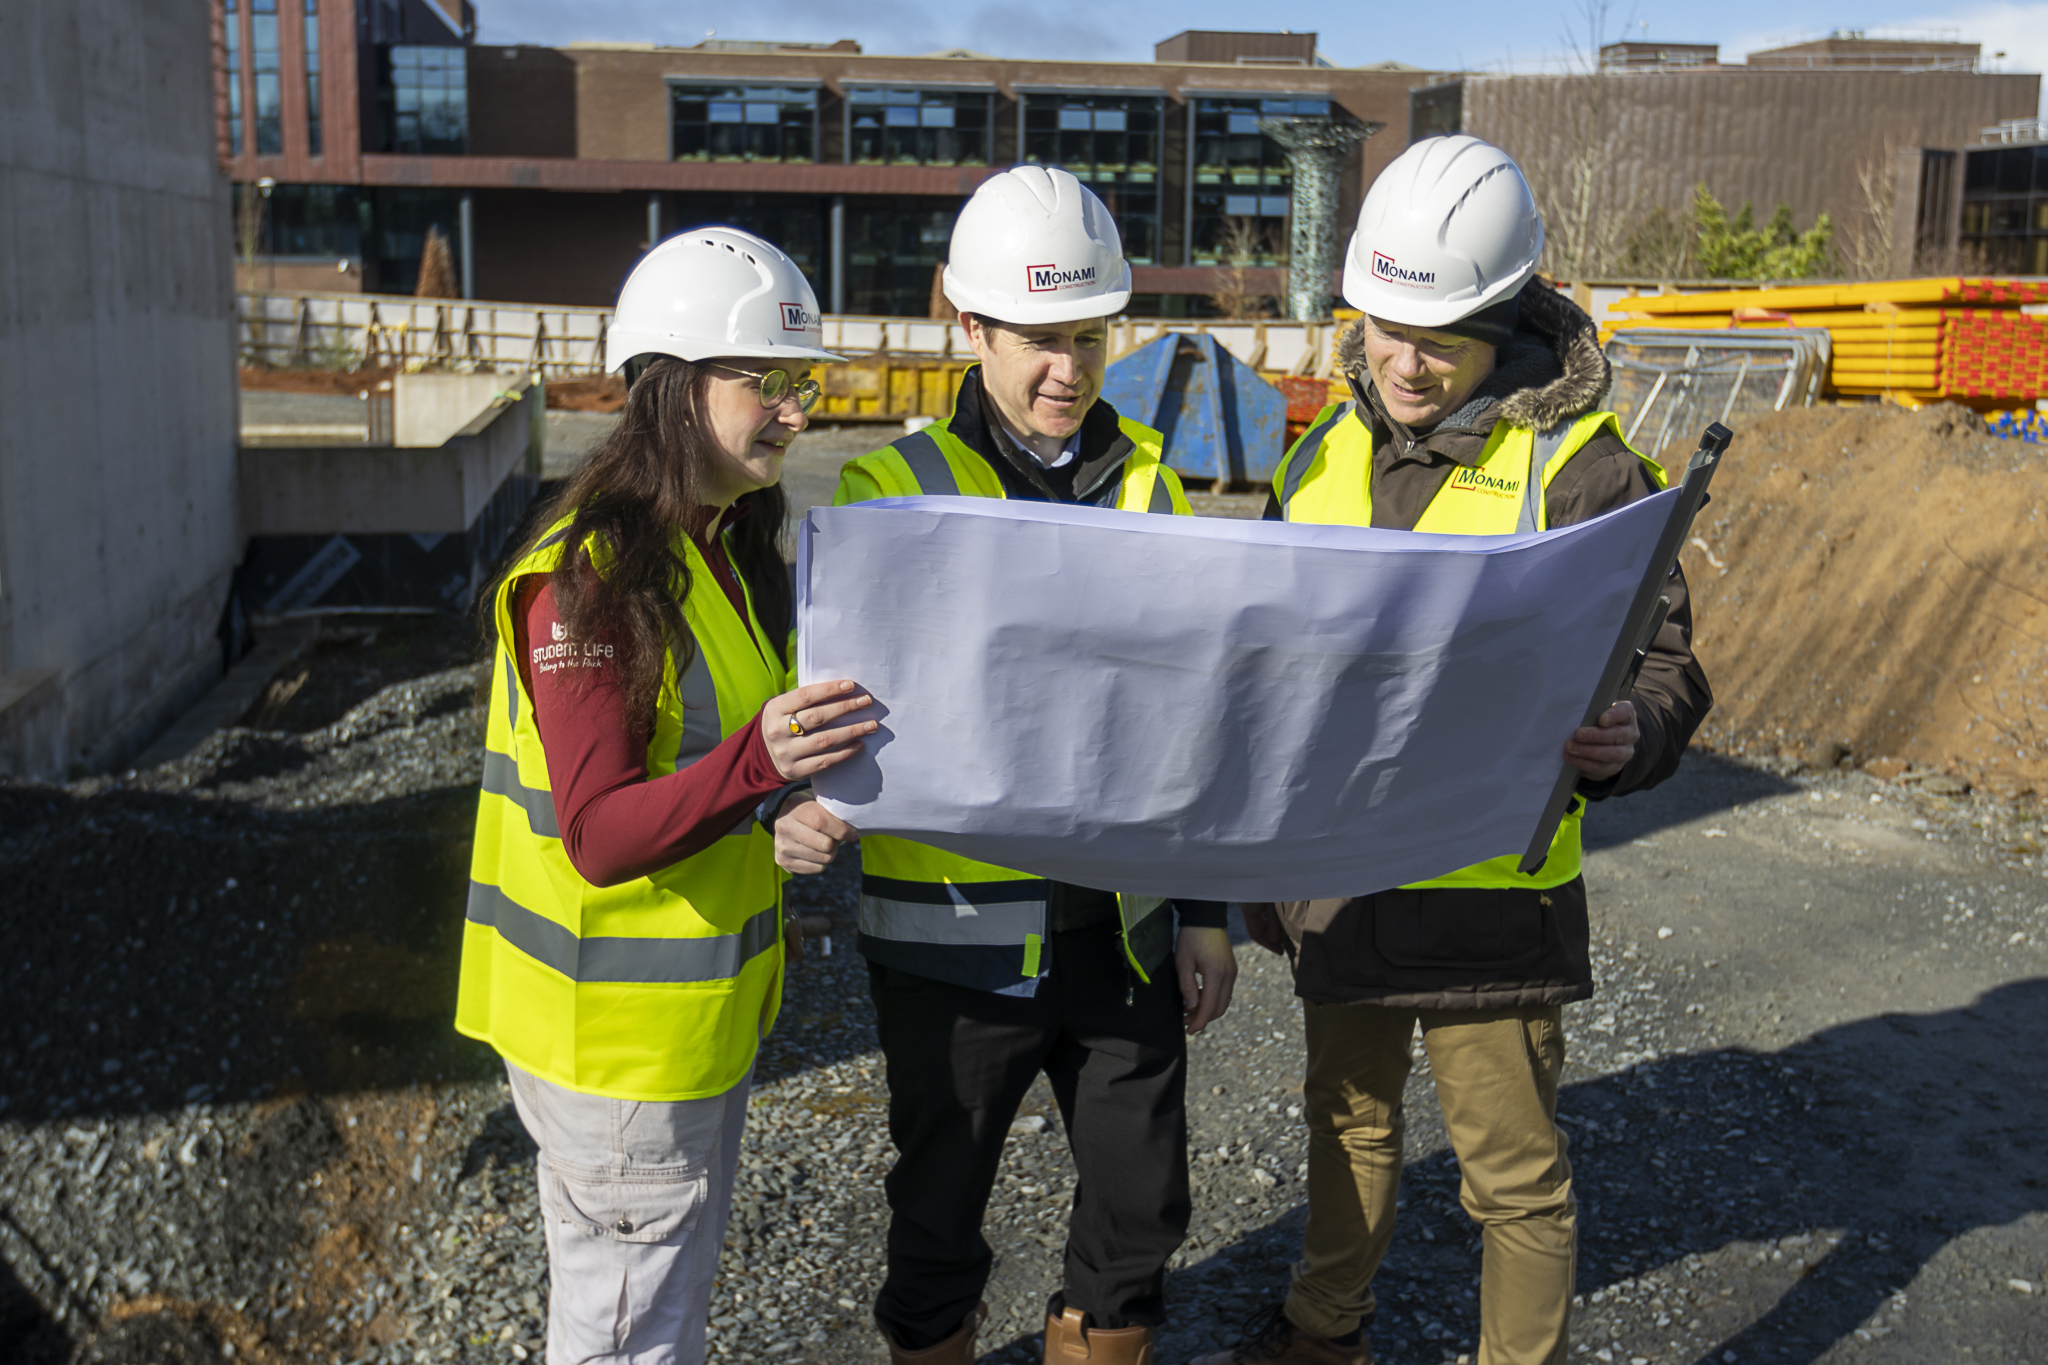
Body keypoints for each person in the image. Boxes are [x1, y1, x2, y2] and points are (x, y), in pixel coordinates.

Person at [1192, 136, 1713, 1365]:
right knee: (1346, 1123)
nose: (1401, 362)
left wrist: (1629, 732)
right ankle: (1323, 1331)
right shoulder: (1322, 454)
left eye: (1437, 339)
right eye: (1381, 328)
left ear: (1505, 322)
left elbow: (1667, 661)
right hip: (1338, 885)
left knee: (1512, 1179)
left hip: (1489, 901)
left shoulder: (1581, 470)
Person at [787, 165, 1239, 1365]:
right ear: (964, 318)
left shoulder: (1149, 481)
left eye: (1089, 339)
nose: (1068, 372)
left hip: (1121, 932)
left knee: (1141, 1212)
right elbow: (840, 716)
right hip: (949, 944)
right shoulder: (889, 489)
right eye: (1038, 342)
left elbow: (1188, 717)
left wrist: (1203, 913)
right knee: (938, 1213)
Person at [455, 226, 878, 1365]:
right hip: (615, 1052)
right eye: (773, 383)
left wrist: (768, 807)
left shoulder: (717, 548)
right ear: (676, 386)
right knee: (625, 1339)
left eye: (805, 384)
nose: (799, 411)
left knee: (656, 1322)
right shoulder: (592, 579)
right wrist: (757, 764)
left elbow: (697, 765)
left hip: (681, 1034)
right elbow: (596, 835)